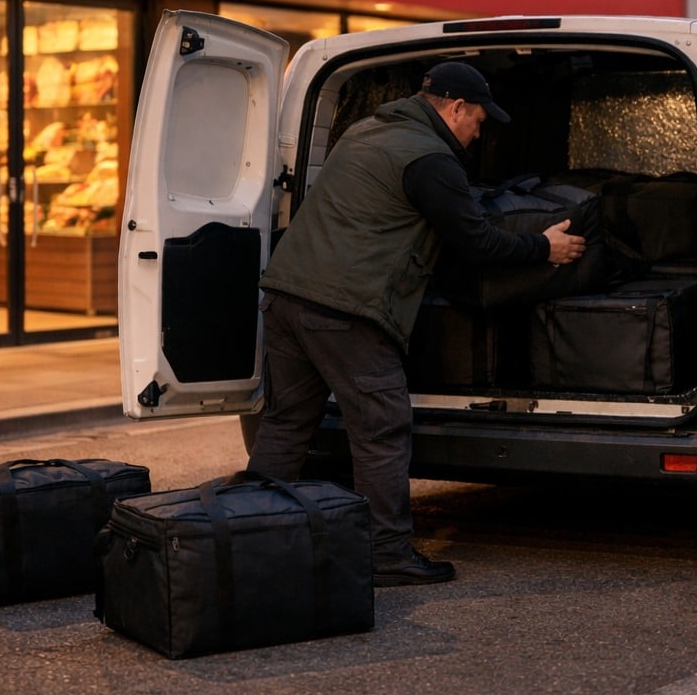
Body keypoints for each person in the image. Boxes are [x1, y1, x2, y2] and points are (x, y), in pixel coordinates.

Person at [248, 61, 586, 586]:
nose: (479, 132)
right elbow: (476, 242)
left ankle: (246, 535)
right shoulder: (430, 159)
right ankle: (387, 554)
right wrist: (545, 246)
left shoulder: (366, 131)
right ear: (454, 108)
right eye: (478, 120)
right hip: (346, 311)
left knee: (286, 423)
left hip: (287, 295)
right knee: (381, 429)